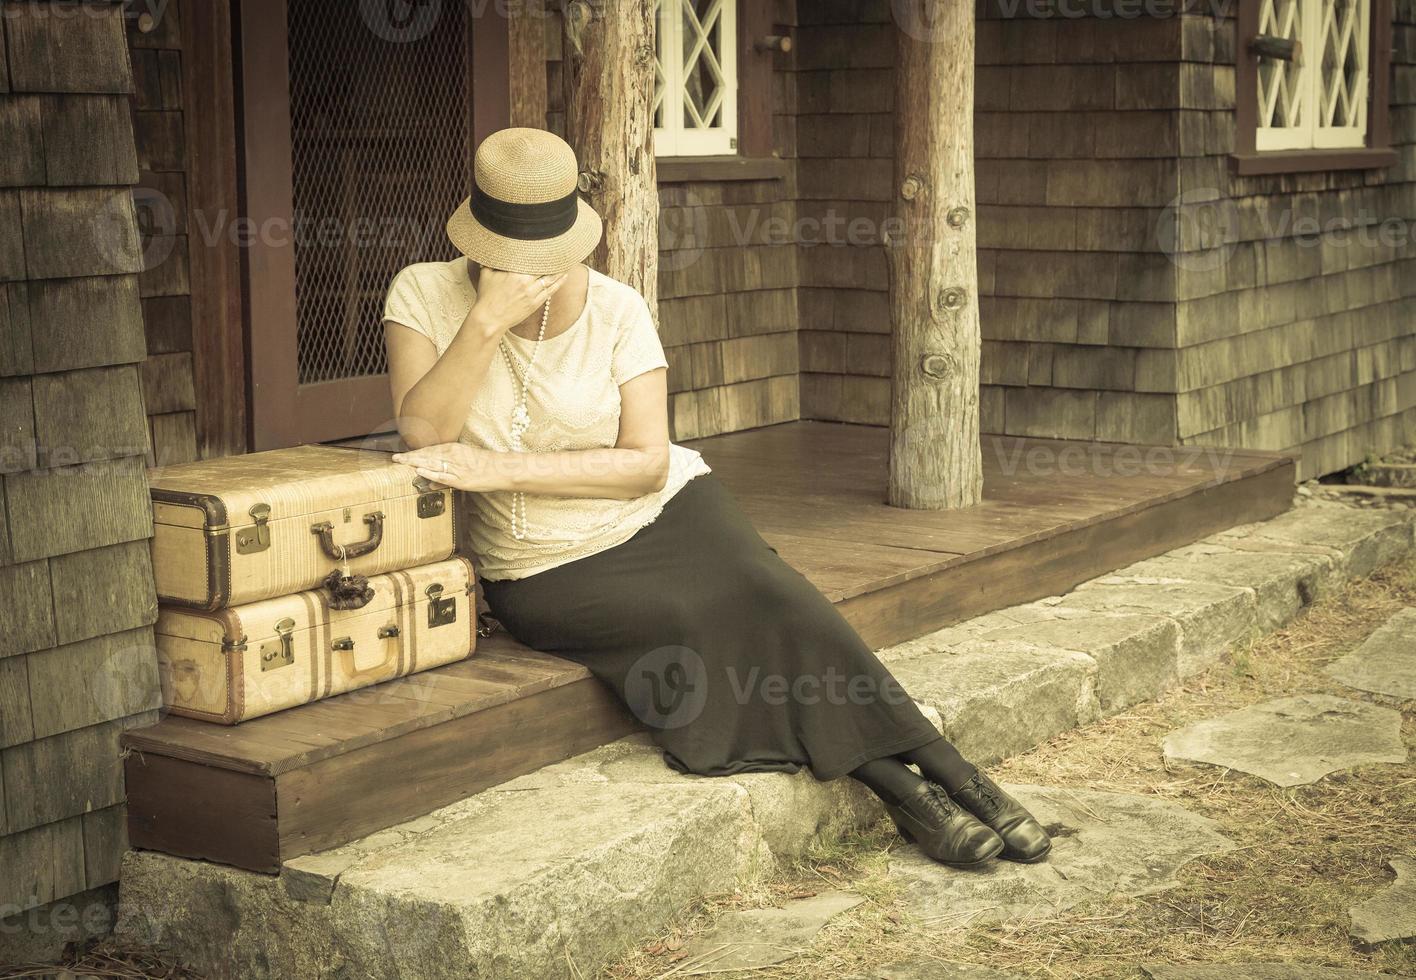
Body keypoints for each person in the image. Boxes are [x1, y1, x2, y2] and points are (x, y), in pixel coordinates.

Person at [382, 127, 1050, 867]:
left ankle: (953, 775)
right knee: (692, 619)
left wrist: (496, 470)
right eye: (514, 256)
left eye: (550, 255)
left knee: (774, 592)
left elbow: (643, 464)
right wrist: (484, 322)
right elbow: (425, 435)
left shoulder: (617, 309)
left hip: (661, 508)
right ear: (476, 237)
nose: (536, 272)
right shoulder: (424, 293)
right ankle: (907, 788)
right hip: (540, 562)